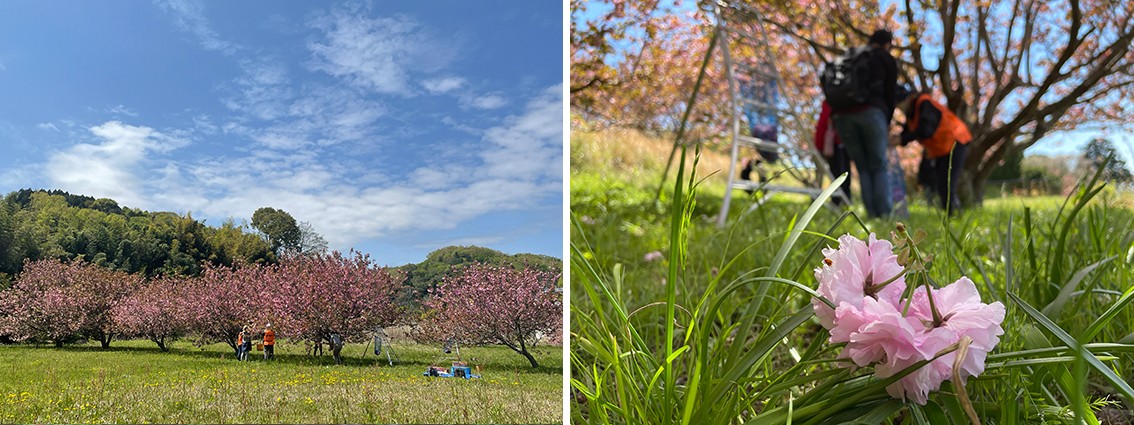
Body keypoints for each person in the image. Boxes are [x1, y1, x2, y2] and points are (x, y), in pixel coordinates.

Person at [831, 29, 899, 218]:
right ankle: (884, 215)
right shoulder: (885, 58)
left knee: (862, 167)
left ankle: (871, 214)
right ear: (887, 44)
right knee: (878, 165)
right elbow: (890, 93)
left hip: (843, 116)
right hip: (872, 112)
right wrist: (886, 120)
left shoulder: (852, 55)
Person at [896, 87, 973, 214]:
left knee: (947, 184)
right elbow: (907, 133)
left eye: (899, 104)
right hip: (941, 149)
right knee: (942, 184)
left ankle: (954, 215)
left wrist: (903, 138)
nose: (899, 108)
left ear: (908, 98)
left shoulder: (924, 103)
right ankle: (951, 215)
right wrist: (899, 139)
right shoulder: (911, 115)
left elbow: (926, 129)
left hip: (955, 140)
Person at [814, 101, 852, 205]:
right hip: (834, 145)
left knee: (840, 174)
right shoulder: (831, 104)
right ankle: (839, 202)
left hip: (836, 144)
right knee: (837, 174)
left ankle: (842, 201)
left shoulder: (831, 104)